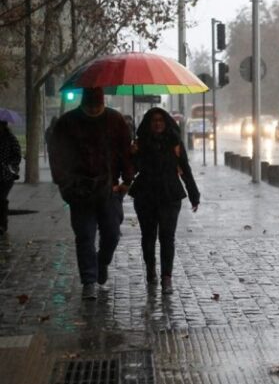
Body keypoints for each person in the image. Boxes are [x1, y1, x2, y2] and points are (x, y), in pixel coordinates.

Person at [50, 87, 134, 300]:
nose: (95, 110)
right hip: (80, 190)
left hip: (109, 188)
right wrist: (65, 183)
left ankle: (101, 263)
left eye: (98, 106)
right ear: (84, 104)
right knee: (85, 235)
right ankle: (89, 280)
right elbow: (57, 155)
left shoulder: (115, 120)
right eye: (91, 106)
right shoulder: (67, 123)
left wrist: (127, 180)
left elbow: (125, 151)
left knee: (112, 233)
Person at [129, 107, 199, 294]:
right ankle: (150, 268)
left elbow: (185, 168)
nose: (158, 123)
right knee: (148, 236)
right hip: (145, 195)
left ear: (166, 122)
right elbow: (132, 170)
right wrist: (133, 153)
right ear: (148, 124)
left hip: (170, 195)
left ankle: (166, 277)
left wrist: (194, 194)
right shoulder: (140, 143)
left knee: (167, 236)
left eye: (161, 120)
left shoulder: (174, 143)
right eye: (154, 120)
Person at [0, 119, 21, 235]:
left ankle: (3, 224)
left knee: (1, 199)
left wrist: (9, 165)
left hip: (6, 175)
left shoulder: (11, 139)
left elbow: (17, 155)